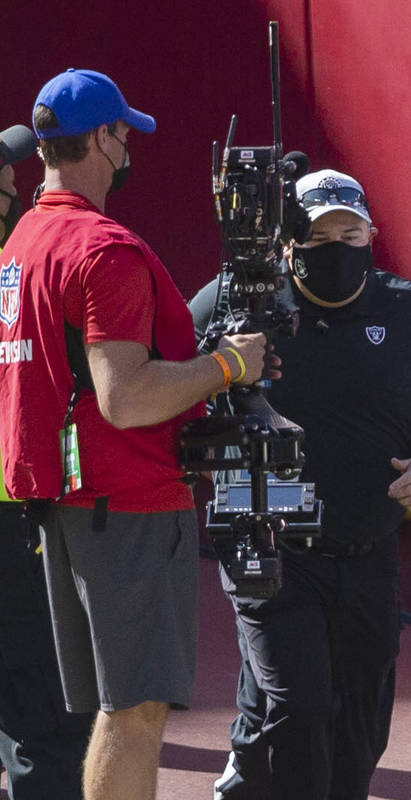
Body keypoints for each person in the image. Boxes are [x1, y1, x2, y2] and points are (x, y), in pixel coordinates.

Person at [0, 68, 272, 800]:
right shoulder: (102, 249)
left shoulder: (25, 237)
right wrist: (227, 363)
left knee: (118, 708)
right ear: (99, 139)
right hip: (127, 504)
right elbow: (125, 397)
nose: (129, 148)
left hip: (68, 500)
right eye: (123, 134)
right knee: (136, 710)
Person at [192, 167, 411, 800]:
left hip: (368, 551)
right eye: (318, 237)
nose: (337, 248)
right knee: (302, 707)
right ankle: (252, 759)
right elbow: (166, 372)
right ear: (288, 242)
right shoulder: (239, 298)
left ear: (371, 232)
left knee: (360, 729)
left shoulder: (409, 308)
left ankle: (250, 758)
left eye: (350, 233)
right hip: (269, 545)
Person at [0, 121, 94, 800]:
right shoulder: (19, 268)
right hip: (19, 511)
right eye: (4, 169)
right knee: (48, 711)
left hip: (19, 505)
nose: (15, 178)